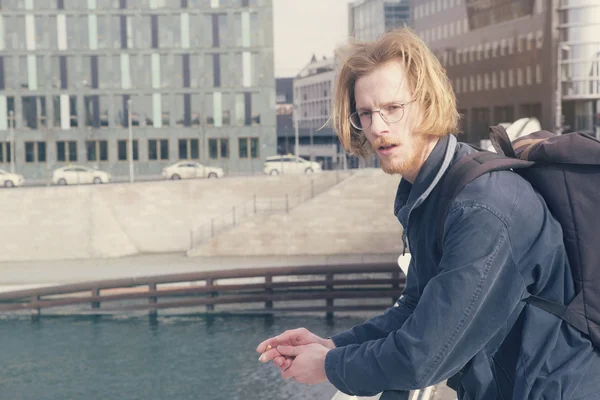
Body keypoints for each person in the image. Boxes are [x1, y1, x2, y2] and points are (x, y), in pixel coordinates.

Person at [256, 27, 600, 399]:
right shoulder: (436, 189)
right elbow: (417, 308)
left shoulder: (483, 207)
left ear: (428, 102)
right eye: (365, 114)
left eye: (393, 108)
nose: (378, 127)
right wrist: (332, 345)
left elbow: (423, 357)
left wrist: (327, 366)